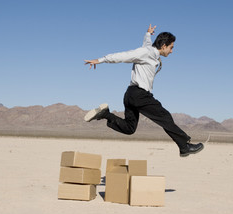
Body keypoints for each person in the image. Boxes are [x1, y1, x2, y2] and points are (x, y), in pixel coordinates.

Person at [84, 24, 204, 157]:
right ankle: (184, 146)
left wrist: (147, 34)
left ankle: (105, 114)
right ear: (163, 46)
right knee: (165, 117)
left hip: (130, 94)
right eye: (171, 48)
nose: (171, 51)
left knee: (130, 128)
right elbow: (125, 56)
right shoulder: (146, 53)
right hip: (140, 95)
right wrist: (100, 60)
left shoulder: (149, 51)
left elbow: (147, 45)